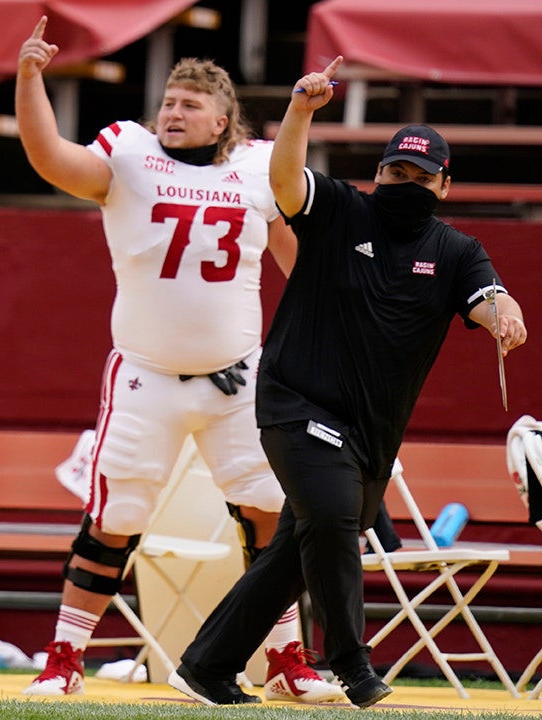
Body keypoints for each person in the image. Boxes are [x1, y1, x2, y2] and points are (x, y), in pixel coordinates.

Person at [169, 57, 528, 709]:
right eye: (397, 172)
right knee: (333, 519)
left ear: (444, 185)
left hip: (372, 433)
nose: (406, 184)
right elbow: (284, 180)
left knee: (293, 552)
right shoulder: (339, 209)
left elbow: (488, 298)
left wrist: (506, 314)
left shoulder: (456, 251)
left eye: (421, 177)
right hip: (295, 399)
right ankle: (352, 665)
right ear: (378, 174)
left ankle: (207, 665)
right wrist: (300, 111)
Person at [15, 17, 345, 704]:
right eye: (167, 101)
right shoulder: (129, 154)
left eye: (189, 104)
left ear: (222, 120)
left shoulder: (256, 166)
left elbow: (304, 269)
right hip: (147, 376)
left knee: (270, 512)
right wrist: (29, 78)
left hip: (239, 378)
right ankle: (64, 657)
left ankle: (286, 657)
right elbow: (50, 158)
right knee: (116, 517)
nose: (171, 112)